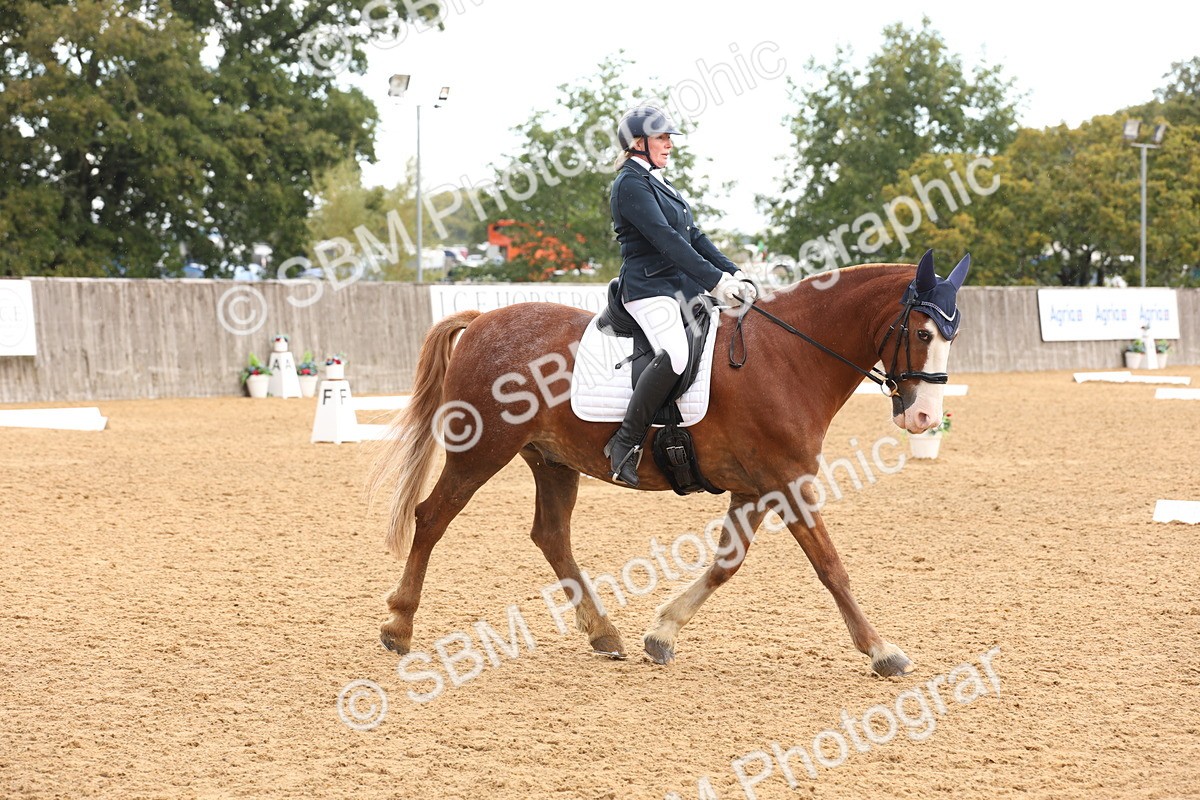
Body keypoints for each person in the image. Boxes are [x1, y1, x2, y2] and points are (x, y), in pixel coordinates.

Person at [605, 104, 757, 487]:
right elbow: (667, 241)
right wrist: (714, 282)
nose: (670, 144)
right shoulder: (629, 184)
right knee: (674, 354)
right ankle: (624, 443)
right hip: (648, 288)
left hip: (679, 289)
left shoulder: (659, 182)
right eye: (662, 137)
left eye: (669, 137)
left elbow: (695, 237)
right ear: (638, 143)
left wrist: (733, 272)